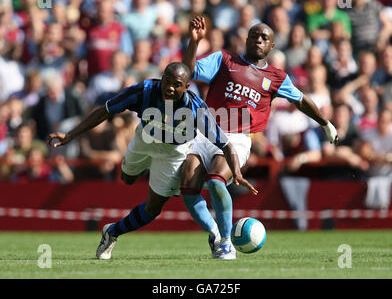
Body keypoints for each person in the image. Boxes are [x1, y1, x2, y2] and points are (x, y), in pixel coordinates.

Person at [47, 62, 257, 260]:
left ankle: (111, 232)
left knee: (153, 209)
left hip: (173, 152)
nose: (171, 88)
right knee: (127, 179)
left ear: (186, 87)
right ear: (161, 78)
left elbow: (226, 144)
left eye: (177, 85)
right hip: (144, 140)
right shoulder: (143, 91)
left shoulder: (196, 109)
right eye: (168, 81)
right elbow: (105, 110)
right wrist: (70, 135)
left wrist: (237, 173)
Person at [180, 16, 339, 260]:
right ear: (246, 40)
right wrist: (193, 42)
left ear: (272, 46)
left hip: (237, 137)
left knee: (215, 180)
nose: (259, 39)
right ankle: (215, 233)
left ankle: (225, 243)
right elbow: (187, 72)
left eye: (265, 37)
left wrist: (325, 123)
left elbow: (301, 100)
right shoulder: (224, 59)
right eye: (254, 35)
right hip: (205, 132)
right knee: (189, 190)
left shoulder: (276, 77)